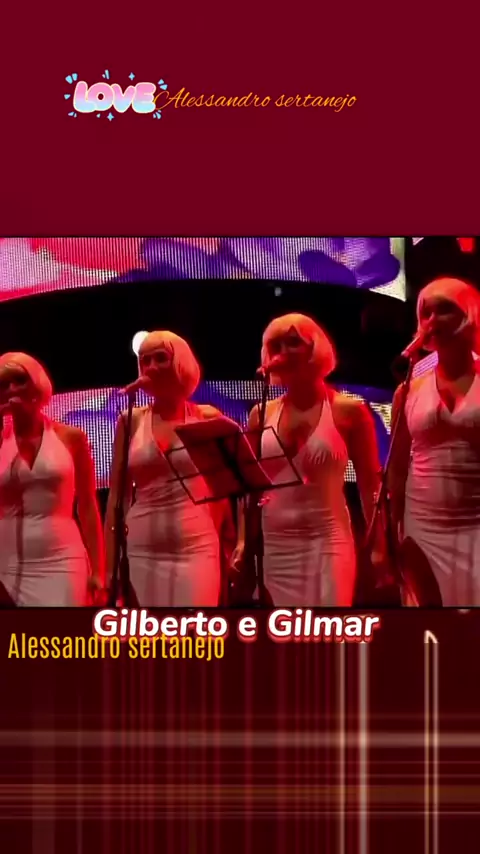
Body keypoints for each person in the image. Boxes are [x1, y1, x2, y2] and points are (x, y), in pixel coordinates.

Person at [232, 313, 383, 606]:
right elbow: (249, 488)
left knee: (326, 627)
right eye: (275, 346)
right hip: (276, 546)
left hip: (327, 541)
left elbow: (369, 485)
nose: (283, 353)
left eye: (293, 343)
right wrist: (242, 542)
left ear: (315, 347)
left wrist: (379, 546)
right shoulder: (260, 414)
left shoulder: (349, 411)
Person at [105, 331, 234, 606]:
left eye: (160, 358)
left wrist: (230, 540)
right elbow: (117, 496)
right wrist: (109, 564)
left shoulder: (206, 417)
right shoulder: (130, 421)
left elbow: (225, 491)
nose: (151, 367)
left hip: (195, 545)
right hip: (141, 548)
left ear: (180, 363)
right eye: (145, 360)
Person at [388, 278, 480, 606]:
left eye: (445, 310)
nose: (432, 320)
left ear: (469, 314)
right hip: (422, 527)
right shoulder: (408, 390)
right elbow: (397, 467)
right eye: (426, 313)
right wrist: (391, 530)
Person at [0, 352, 104, 606]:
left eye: (20, 380)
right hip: (8, 564)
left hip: (62, 560)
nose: (12, 389)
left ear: (37, 383)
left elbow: (88, 505)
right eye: (3, 384)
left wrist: (99, 570)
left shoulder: (71, 437)